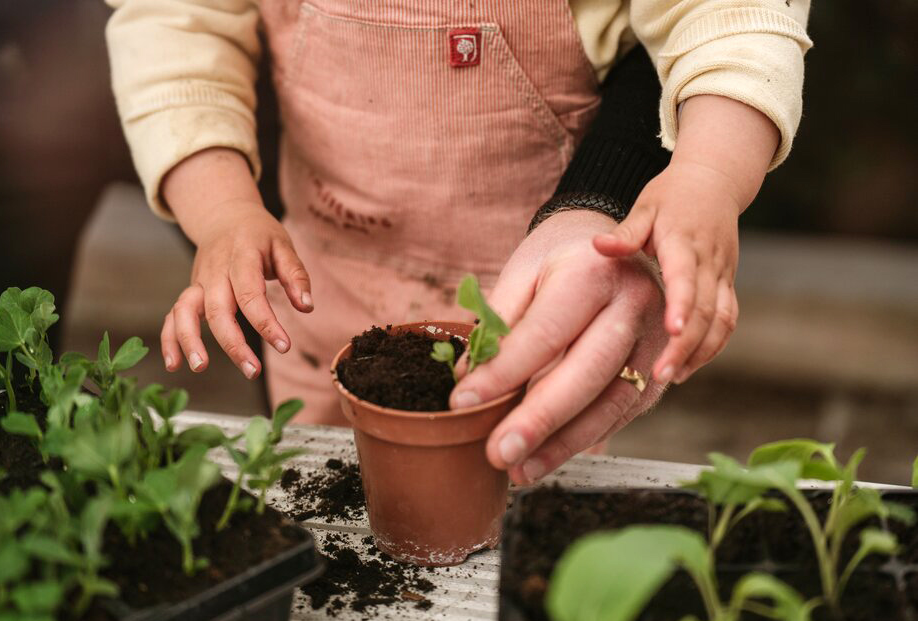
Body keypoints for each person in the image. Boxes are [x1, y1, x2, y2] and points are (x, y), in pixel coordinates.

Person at [104, 0, 811, 485]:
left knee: (523, 508)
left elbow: (728, 14)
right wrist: (223, 207)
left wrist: (710, 169)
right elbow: (174, 21)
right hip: (321, 291)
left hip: (542, 301)